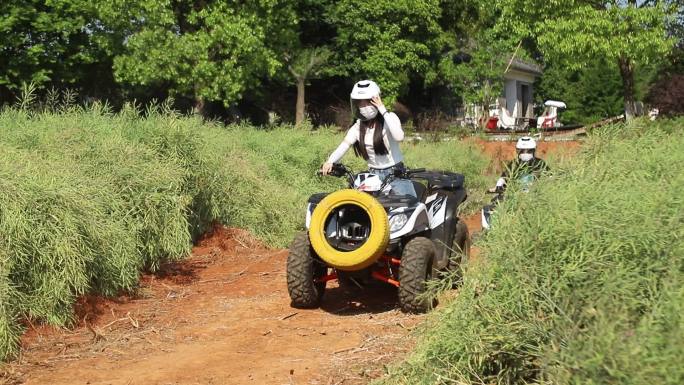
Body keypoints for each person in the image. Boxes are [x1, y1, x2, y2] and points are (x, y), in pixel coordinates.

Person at [320, 80, 416, 197]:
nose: (364, 107)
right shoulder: (358, 126)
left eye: (368, 103)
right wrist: (330, 161)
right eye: (360, 104)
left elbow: (399, 136)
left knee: (407, 206)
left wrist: (382, 108)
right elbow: (344, 145)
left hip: (395, 174)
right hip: (373, 176)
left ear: (376, 101)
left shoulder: (389, 118)